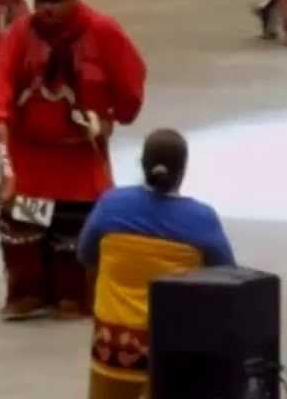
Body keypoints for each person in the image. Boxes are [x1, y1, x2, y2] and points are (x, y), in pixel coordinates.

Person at [0, 0, 148, 321]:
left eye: (58, 2)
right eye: (43, 2)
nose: (48, 10)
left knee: (76, 228)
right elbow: (2, 78)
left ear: (75, 0)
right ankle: (28, 293)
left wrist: (116, 115)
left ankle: (73, 296)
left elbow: (130, 78)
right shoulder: (21, 32)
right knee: (24, 227)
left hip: (79, 155)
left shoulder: (103, 31)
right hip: (30, 155)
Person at [79, 129, 237, 399]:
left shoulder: (110, 205)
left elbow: (86, 256)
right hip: (173, 350)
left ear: (142, 164)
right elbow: (228, 279)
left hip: (112, 346)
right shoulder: (201, 219)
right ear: (183, 170)